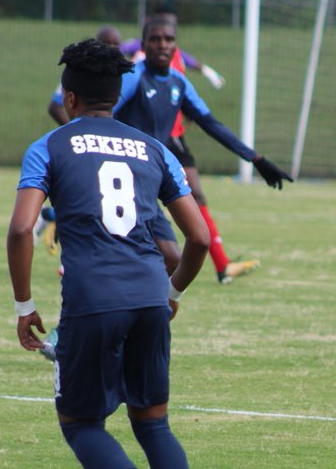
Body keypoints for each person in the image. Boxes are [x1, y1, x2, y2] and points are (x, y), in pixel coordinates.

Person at [8, 38, 214, 469]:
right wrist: (171, 294)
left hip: (92, 301)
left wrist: (24, 305)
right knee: (154, 423)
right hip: (149, 297)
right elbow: (197, 240)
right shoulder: (154, 149)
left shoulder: (49, 146)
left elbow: (21, 228)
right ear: (117, 94)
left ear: (69, 98)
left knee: (80, 424)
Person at [113, 16, 293, 284]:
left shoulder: (179, 83)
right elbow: (102, 114)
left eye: (168, 39)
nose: (162, 44)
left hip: (152, 178)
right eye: (155, 39)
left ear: (176, 46)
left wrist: (255, 158)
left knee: (173, 259)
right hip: (125, 178)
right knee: (121, 253)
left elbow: (210, 123)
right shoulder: (133, 76)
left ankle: (146, 313)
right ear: (144, 44)